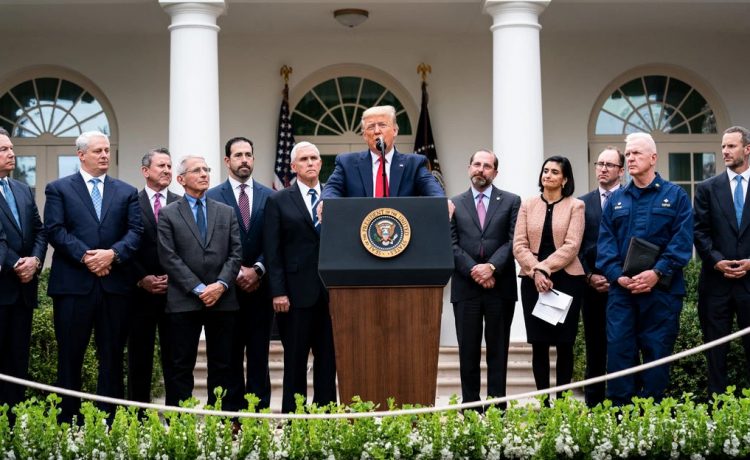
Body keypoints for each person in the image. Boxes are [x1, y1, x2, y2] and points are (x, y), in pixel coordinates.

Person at [44, 130, 142, 422]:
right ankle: (68, 421)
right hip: (74, 287)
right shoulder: (58, 188)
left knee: (111, 358)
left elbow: (135, 232)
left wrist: (112, 254)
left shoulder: (126, 191)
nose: (104, 156)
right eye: (98, 151)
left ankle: (109, 422)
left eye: (107, 151)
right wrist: (88, 256)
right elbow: (55, 230)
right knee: (70, 358)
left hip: (114, 287)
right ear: (81, 155)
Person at [597, 132, 692, 406]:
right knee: (619, 355)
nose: (630, 159)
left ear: (653, 158)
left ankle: (651, 424)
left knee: (657, 356)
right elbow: (605, 246)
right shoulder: (616, 200)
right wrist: (618, 277)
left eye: (636, 153)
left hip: (661, 294)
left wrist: (657, 272)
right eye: (627, 154)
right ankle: (619, 423)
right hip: (622, 295)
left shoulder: (676, 196)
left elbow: (682, 241)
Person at [157, 155, 242, 410]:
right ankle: (179, 424)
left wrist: (221, 285)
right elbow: (168, 256)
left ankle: (222, 421)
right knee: (180, 366)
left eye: (206, 169)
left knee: (223, 365)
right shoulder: (169, 214)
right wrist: (199, 288)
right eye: (197, 170)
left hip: (223, 300)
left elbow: (236, 253)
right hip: (184, 301)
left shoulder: (226, 212)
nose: (204, 174)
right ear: (181, 179)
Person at [264, 141, 336, 413]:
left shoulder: (335, 197)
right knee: (295, 361)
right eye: (304, 159)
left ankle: (326, 416)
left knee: (328, 360)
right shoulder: (278, 200)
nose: (310, 163)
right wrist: (278, 292)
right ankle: (294, 418)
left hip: (330, 295)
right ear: (293, 167)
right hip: (294, 296)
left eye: (315, 158)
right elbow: (273, 251)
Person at [207, 137, 274, 410]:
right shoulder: (212, 197)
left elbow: (275, 241)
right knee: (228, 357)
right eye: (238, 155)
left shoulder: (271, 196)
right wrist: (235, 272)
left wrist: (257, 269)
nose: (244, 159)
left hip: (260, 290)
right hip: (227, 291)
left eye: (248, 154)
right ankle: (229, 416)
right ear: (227, 161)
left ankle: (258, 415)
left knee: (259, 357)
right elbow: (210, 244)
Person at [450, 149, 520, 408]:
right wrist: (475, 270)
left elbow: (515, 240)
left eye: (487, 166)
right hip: (466, 287)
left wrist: (491, 267)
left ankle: (496, 409)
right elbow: (451, 243)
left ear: (495, 172)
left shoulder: (512, 201)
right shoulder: (453, 203)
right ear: (469, 168)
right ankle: (470, 408)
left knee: (498, 352)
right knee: (467, 351)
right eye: (477, 164)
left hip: (499, 287)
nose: (481, 169)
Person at [512, 155, 585, 402]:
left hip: (566, 281)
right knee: (539, 344)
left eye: (555, 172)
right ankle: (544, 403)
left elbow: (572, 245)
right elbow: (519, 245)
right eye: (545, 171)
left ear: (564, 179)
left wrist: (544, 269)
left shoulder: (576, 206)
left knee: (564, 344)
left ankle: (563, 404)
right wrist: (536, 271)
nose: (548, 175)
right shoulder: (527, 205)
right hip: (534, 283)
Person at [694, 125, 750, 398]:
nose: (725, 151)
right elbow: (699, 231)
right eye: (723, 146)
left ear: (747, 149)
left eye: (731, 146)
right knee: (715, 354)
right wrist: (717, 261)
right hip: (716, 285)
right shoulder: (707, 188)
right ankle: (717, 412)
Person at [128, 148, 180, 406]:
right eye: (161, 166)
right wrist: (142, 278)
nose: (167, 170)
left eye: (169, 166)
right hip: (141, 294)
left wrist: (177, 278)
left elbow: (189, 247)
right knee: (140, 358)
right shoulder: (130, 202)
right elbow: (126, 245)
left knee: (175, 359)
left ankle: (177, 416)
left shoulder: (182, 203)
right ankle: (138, 415)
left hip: (175, 293)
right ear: (145, 171)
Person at [0, 127, 46, 417]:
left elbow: (40, 231)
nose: (11, 154)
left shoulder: (21, 189)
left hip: (23, 293)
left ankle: (14, 428)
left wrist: (36, 261)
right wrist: (17, 263)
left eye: (11, 148)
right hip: (2, 287)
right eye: (4, 150)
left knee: (18, 364)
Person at [577, 146, 624, 408]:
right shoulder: (582, 203)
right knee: (594, 347)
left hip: (622, 287)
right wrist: (589, 276)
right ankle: (593, 404)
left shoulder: (630, 198)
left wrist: (618, 276)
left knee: (622, 346)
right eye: (600, 164)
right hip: (592, 288)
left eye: (609, 164)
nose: (603, 168)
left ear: (620, 170)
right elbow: (576, 245)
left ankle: (620, 403)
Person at [320, 105, 444, 200]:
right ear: (364, 135)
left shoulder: (414, 164)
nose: (377, 131)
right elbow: (331, 189)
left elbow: (433, 191)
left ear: (395, 130)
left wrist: (443, 202)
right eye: (371, 127)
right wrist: (324, 202)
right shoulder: (347, 163)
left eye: (382, 125)